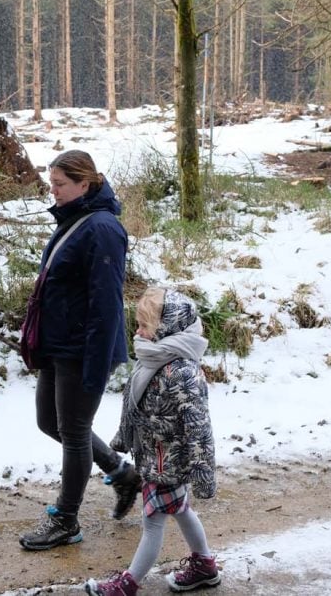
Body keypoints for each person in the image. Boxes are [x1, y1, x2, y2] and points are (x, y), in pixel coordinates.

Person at [18, 149, 142, 551]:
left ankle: (66, 521)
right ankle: (122, 473)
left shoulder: (103, 229)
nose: (52, 191)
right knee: (49, 423)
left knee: (72, 432)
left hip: (81, 348)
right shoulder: (74, 219)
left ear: (85, 184)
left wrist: (97, 363)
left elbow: (107, 304)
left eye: (59, 185)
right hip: (57, 343)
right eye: (51, 183)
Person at [85, 287, 220, 595]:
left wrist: (202, 472)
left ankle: (127, 584)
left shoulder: (182, 371)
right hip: (154, 456)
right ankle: (205, 565)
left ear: (167, 328)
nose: (138, 330)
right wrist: (126, 437)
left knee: (153, 522)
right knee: (182, 510)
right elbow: (137, 406)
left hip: (169, 463)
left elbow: (199, 427)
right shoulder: (155, 359)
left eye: (145, 325)